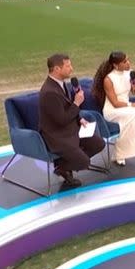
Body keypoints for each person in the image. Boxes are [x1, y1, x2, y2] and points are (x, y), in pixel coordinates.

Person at [38, 53, 105, 188]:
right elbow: (61, 119)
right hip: (58, 136)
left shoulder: (61, 84)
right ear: (57, 69)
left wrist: (79, 118)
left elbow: (67, 107)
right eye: (68, 66)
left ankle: (64, 164)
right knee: (84, 163)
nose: (71, 69)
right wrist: (77, 103)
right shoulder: (49, 92)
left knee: (99, 144)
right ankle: (62, 168)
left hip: (72, 129)